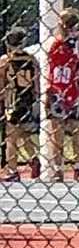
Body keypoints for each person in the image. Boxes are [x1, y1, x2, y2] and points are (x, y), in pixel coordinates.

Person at [46, 9, 79, 181]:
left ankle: (59, 168)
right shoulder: (73, 44)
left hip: (58, 89)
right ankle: (77, 166)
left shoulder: (57, 42)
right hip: (68, 90)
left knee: (58, 130)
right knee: (75, 128)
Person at [0, 27, 38, 181]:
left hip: (13, 99)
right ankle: (34, 158)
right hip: (27, 98)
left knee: (11, 137)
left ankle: (12, 170)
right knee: (23, 133)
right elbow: (35, 80)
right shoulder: (31, 59)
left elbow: (2, 81)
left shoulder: (5, 60)